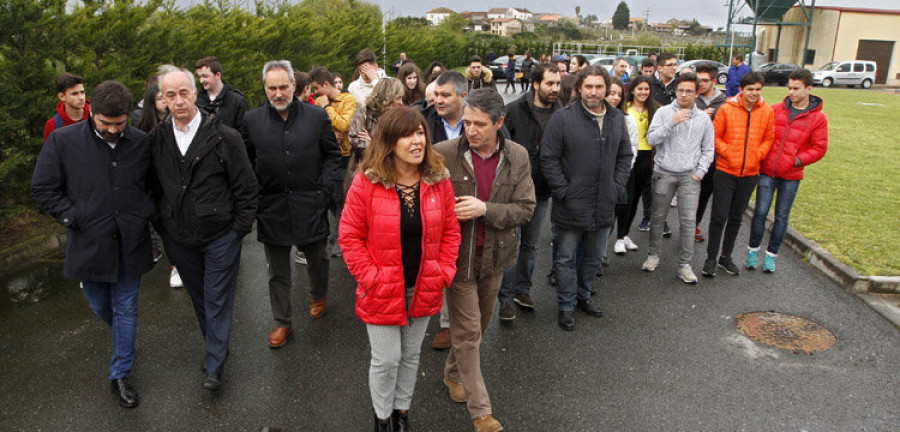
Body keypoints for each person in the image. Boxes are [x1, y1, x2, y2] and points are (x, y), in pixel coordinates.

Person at [32, 80, 153, 409]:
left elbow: (152, 186)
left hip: (131, 241)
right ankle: (123, 339)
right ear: (91, 114)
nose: (113, 130)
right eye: (105, 124)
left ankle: (120, 374)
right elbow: (43, 189)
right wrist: (72, 218)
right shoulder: (62, 141)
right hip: (88, 243)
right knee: (101, 305)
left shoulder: (141, 142)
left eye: (120, 123)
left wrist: (145, 215)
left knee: (125, 307)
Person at [339, 106, 460, 432]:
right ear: (390, 142)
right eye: (407, 134)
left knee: (409, 357)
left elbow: (451, 231)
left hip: (424, 285)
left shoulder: (439, 181)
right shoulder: (367, 183)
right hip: (380, 287)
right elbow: (349, 236)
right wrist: (370, 277)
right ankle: (381, 417)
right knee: (387, 358)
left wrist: (444, 270)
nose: (417, 140)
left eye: (420, 132)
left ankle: (401, 413)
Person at [150, 65, 258, 391]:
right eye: (171, 95)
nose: (179, 101)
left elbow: (247, 188)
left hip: (221, 235)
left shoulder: (225, 137)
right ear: (163, 100)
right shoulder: (157, 139)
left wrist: (239, 229)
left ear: (195, 93)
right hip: (179, 239)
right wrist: (162, 225)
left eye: (184, 93)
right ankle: (215, 348)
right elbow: (151, 186)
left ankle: (214, 365)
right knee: (200, 299)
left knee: (216, 298)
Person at [435, 89, 535, 432]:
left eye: (480, 124)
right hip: (457, 260)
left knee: (477, 327)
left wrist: (485, 210)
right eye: (467, 122)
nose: (471, 130)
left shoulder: (518, 156)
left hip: (495, 259)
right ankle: (481, 412)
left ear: (499, 123)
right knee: (467, 333)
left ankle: (451, 372)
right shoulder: (444, 153)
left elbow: (526, 208)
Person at [241, 60, 343, 348]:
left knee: (318, 259)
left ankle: (318, 294)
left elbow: (332, 156)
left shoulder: (316, 116)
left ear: (294, 86)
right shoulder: (252, 120)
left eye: (283, 87)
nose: (278, 93)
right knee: (277, 270)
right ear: (265, 88)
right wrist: (256, 195)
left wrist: (322, 191)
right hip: (271, 207)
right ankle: (282, 322)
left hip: (310, 202)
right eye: (272, 88)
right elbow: (245, 163)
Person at [541, 65, 633, 331]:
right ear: (579, 88)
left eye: (599, 87)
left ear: (607, 88)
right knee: (566, 258)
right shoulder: (563, 118)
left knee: (594, 257)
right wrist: (563, 190)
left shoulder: (616, 118)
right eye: (589, 86)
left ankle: (584, 295)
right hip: (571, 204)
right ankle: (566, 305)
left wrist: (616, 187)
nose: (594, 92)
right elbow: (549, 158)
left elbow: (625, 156)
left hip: (604, 203)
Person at [746, 68, 828, 273]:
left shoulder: (818, 118)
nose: (792, 92)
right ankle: (752, 252)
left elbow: (819, 148)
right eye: (789, 87)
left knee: (782, 216)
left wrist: (797, 160)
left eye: (796, 88)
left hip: (791, 175)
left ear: (809, 88)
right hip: (767, 171)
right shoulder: (776, 109)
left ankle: (771, 257)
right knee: (760, 211)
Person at [497, 62, 561, 321]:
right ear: (535, 84)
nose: (555, 88)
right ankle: (505, 298)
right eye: (549, 83)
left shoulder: (563, 113)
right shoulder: (513, 110)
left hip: (543, 192)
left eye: (558, 83)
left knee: (531, 245)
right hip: (513, 192)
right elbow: (501, 148)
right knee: (511, 244)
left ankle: (522, 290)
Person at [640, 72, 715, 283]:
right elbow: (652, 139)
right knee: (658, 217)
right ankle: (653, 255)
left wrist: (699, 173)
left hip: (689, 177)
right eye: (680, 90)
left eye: (688, 91)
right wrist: (672, 122)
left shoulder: (703, 119)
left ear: (697, 92)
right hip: (664, 173)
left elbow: (708, 149)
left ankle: (684, 265)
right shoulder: (664, 113)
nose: (683, 95)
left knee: (688, 221)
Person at [702, 71, 774, 277]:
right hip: (725, 170)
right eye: (750, 89)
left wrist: (758, 154)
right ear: (742, 89)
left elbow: (769, 138)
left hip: (750, 172)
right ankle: (710, 258)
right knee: (719, 216)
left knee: (736, 218)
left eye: (758, 90)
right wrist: (727, 153)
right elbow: (715, 135)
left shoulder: (767, 112)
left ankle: (726, 257)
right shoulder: (726, 109)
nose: (754, 93)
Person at [423, 71, 468, 349]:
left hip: (469, 203)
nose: (438, 100)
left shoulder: (478, 120)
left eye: (445, 95)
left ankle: (454, 323)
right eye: (436, 95)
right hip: (433, 204)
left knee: (462, 263)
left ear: (462, 96)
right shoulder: (425, 121)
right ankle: (439, 321)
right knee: (435, 259)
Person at [310, 66, 358, 257]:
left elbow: (345, 124)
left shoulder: (347, 100)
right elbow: (316, 128)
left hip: (344, 157)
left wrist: (327, 109)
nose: (315, 93)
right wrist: (330, 134)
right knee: (330, 197)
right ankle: (342, 231)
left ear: (326, 85)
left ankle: (340, 241)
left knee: (340, 198)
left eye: (316, 88)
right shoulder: (317, 104)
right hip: (324, 156)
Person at [614, 75, 659, 254]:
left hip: (647, 157)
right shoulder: (625, 109)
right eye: (639, 89)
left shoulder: (655, 109)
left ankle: (625, 234)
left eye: (646, 89)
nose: (643, 92)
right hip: (629, 156)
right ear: (632, 90)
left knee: (636, 200)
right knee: (626, 199)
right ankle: (618, 237)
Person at [347, 77, 405, 196]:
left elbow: (400, 146)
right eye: (398, 98)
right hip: (364, 171)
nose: (401, 102)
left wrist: (372, 142)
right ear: (387, 97)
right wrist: (379, 145)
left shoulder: (399, 118)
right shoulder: (364, 112)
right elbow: (355, 140)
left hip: (392, 174)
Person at [693, 62, 728, 242]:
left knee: (705, 192)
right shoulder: (691, 98)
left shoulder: (725, 102)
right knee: (689, 191)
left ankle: (695, 224)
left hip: (712, 156)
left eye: (705, 80)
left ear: (714, 81)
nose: (701, 84)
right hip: (690, 154)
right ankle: (687, 223)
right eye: (698, 80)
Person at [606, 77, 639, 256]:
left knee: (621, 206)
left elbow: (632, 147)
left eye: (619, 94)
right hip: (600, 174)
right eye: (611, 93)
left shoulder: (627, 119)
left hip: (621, 173)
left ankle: (618, 238)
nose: (615, 97)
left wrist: (622, 171)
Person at [195, 56, 249, 130]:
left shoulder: (237, 102)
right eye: (200, 77)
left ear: (218, 75)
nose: (201, 80)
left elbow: (244, 134)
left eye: (205, 76)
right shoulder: (196, 101)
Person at [44, 72, 90, 140]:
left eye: (82, 92)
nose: (81, 97)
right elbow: (50, 150)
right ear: (62, 96)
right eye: (75, 94)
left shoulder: (97, 116)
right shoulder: (53, 125)